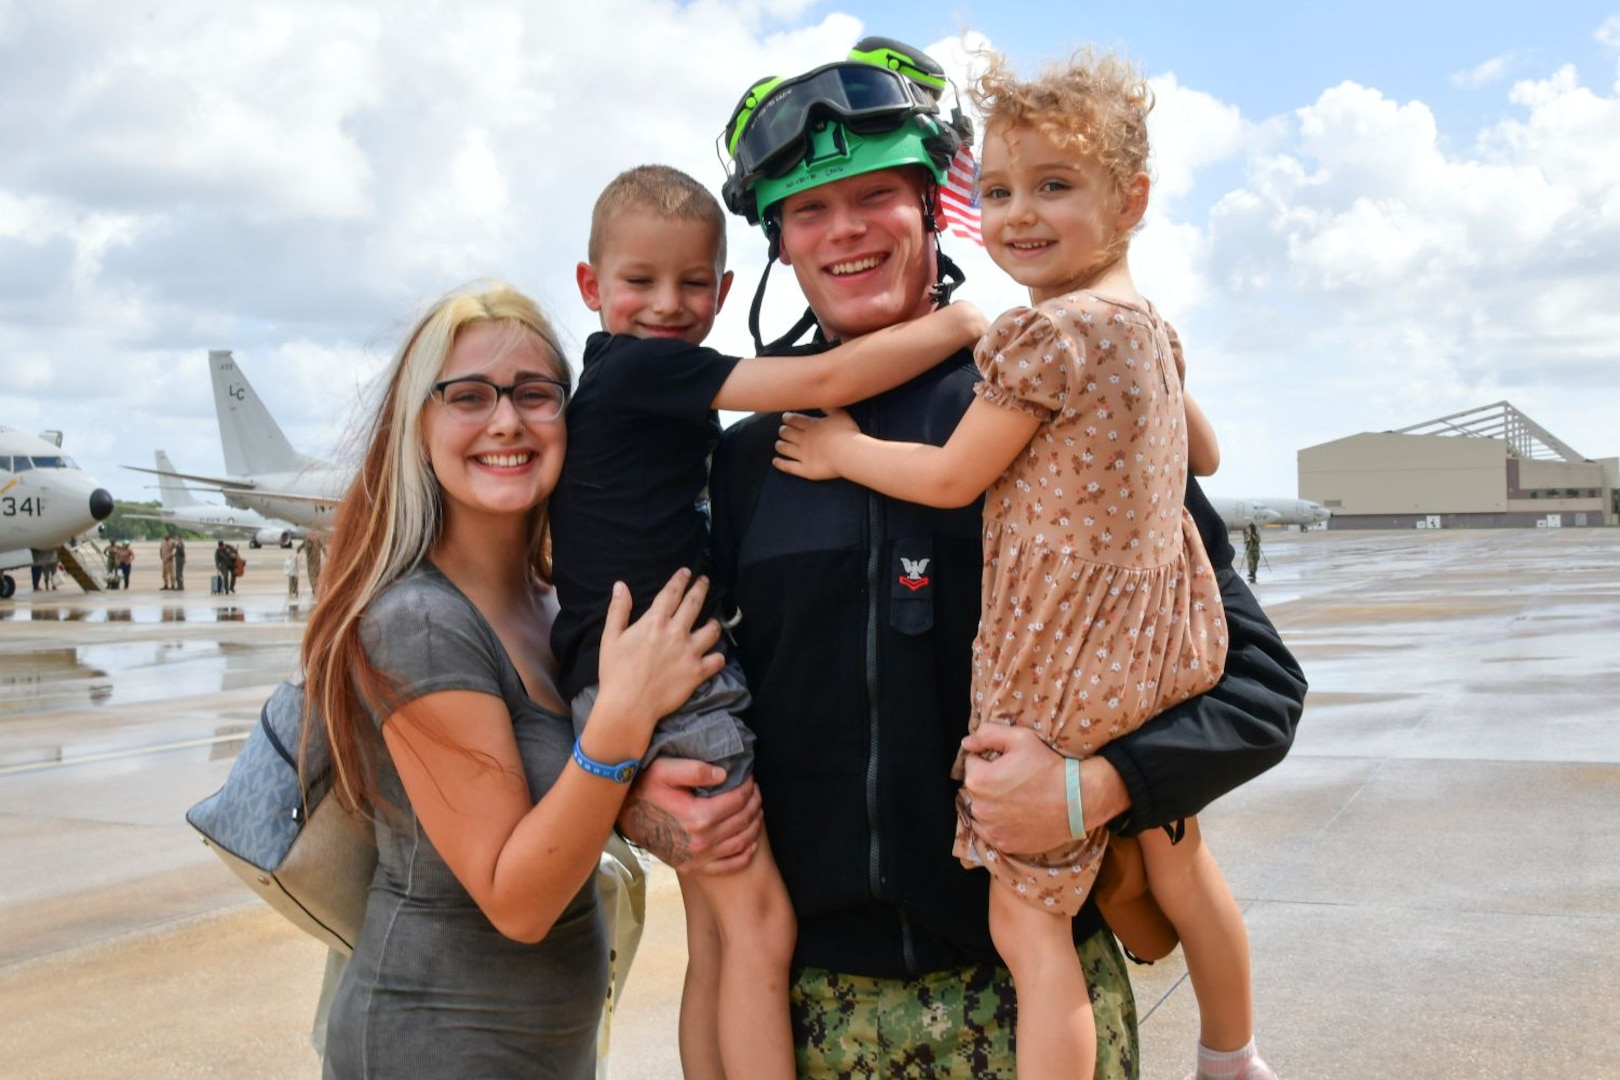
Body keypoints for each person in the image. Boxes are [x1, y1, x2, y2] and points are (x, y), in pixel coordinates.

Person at [617, 37, 1307, 1080]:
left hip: (1028, 998)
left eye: (876, 196)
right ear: (779, 241)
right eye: (809, 209)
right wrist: (639, 791)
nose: (844, 229)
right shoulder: (752, 456)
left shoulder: (1066, 404)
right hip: (810, 1018)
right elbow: (653, 672)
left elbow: (1259, 692)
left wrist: (1100, 788)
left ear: (935, 207)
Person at [552, 163, 987, 1080]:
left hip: (632, 667)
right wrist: (960, 322)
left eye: (691, 284)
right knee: (761, 928)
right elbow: (823, 373)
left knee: (716, 935)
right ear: (591, 287)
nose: (667, 305)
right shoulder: (643, 375)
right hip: (668, 675)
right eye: (639, 282)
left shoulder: (634, 390)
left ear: (724, 289)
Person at [300, 281, 724, 1079]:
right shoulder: (420, 622)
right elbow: (517, 900)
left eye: (536, 394)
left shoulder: (550, 604)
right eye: (468, 396)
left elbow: (559, 802)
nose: (506, 420)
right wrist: (622, 721)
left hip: (540, 1047)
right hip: (433, 1045)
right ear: (416, 427)